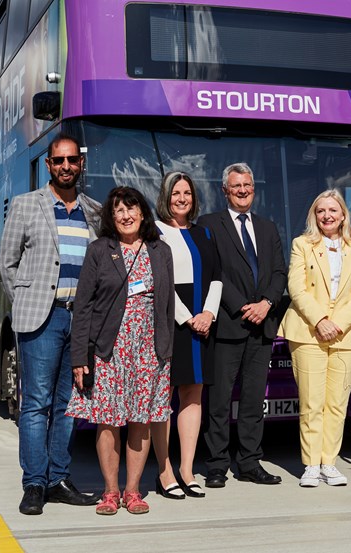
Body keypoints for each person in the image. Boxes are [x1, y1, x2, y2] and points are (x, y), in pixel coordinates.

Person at [0, 133, 101, 515]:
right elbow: (6, 263)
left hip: (80, 320)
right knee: (36, 404)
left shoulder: (94, 210)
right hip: (42, 317)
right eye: (58, 161)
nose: (65, 167)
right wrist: (27, 299)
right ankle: (34, 483)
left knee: (68, 404)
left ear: (80, 163)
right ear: (48, 165)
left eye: (72, 160)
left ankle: (58, 478)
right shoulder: (27, 206)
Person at [67, 187, 175, 515]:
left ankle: (133, 492)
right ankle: (110, 492)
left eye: (131, 209)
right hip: (108, 350)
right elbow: (83, 306)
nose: (126, 215)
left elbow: (167, 303)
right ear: (111, 218)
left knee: (141, 421)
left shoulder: (160, 250)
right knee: (108, 422)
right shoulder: (100, 250)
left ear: (143, 213)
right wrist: (79, 357)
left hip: (148, 352)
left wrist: (166, 349)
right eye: (118, 210)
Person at [200, 163, 287, 487]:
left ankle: (250, 462)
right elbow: (215, 271)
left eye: (247, 185)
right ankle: (217, 466)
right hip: (228, 325)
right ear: (225, 190)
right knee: (219, 402)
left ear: (254, 188)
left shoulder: (268, 227)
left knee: (253, 401)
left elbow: (279, 271)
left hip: (262, 325)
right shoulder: (209, 224)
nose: (242, 190)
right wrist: (241, 306)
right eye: (236, 186)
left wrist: (266, 303)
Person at [279, 190, 351, 487]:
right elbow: (297, 287)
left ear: (344, 215)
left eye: (333, 210)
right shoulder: (301, 245)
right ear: (314, 216)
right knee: (311, 402)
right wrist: (320, 320)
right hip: (308, 332)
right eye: (321, 211)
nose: (327, 216)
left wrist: (337, 324)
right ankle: (311, 464)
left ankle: (330, 462)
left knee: (336, 404)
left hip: (345, 334)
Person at [152, 172, 223, 499]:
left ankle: (187, 469)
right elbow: (159, 280)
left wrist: (208, 314)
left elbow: (217, 278)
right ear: (165, 195)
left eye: (187, 193)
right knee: (163, 400)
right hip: (171, 321)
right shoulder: (154, 231)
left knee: (193, 395)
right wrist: (188, 317)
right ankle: (165, 471)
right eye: (176, 192)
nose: (182, 198)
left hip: (202, 322)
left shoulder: (204, 233)